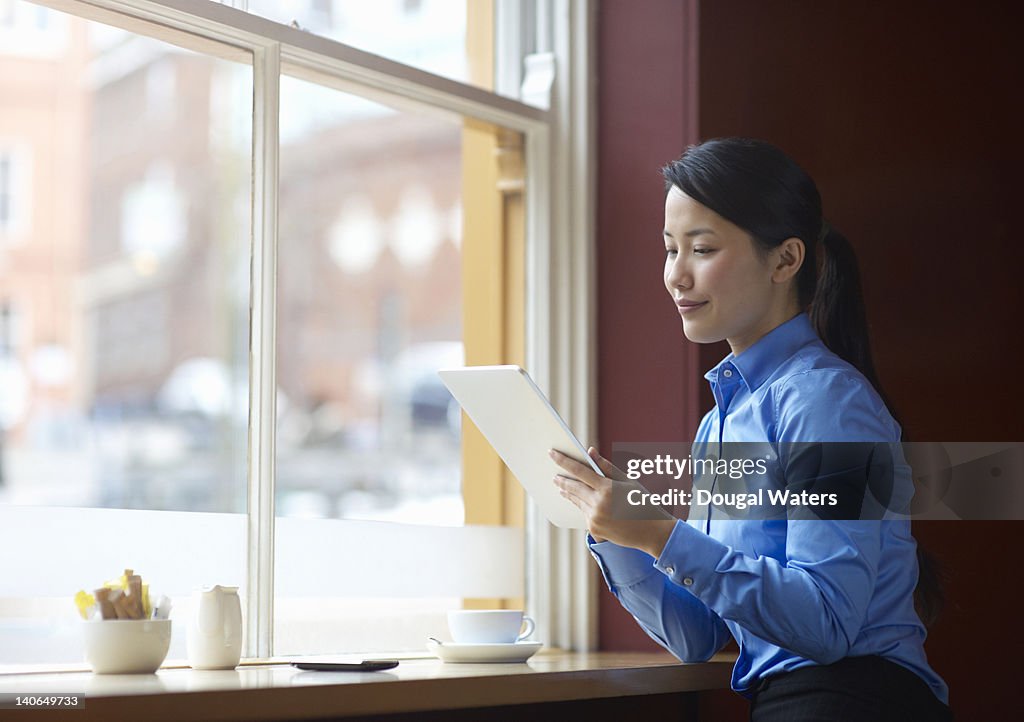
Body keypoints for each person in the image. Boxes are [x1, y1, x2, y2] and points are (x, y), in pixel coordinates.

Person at [550, 138, 952, 721]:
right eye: (669, 250)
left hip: (856, 703)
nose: (676, 277)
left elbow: (826, 621)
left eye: (703, 248)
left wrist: (663, 534)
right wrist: (619, 533)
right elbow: (698, 635)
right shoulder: (722, 422)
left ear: (785, 260)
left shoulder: (827, 403)